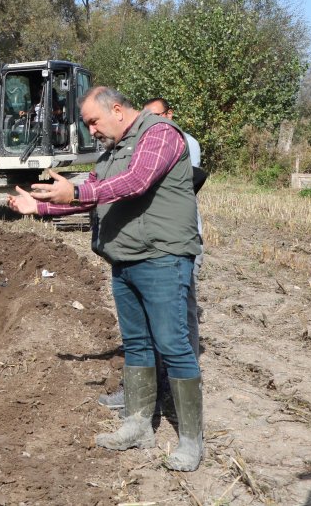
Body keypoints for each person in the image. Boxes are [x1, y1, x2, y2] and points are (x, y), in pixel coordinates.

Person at [7, 86, 204, 472]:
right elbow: (90, 195)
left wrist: (75, 188)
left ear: (117, 109)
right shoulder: (112, 150)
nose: (91, 131)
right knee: (136, 344)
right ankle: (137, 425)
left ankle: (191, 441)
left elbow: (135, 182)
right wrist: (41, 206)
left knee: (173, 344)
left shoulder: (159, 135)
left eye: (93, 121)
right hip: (125, 259)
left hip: (162, 258)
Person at [99, 97, 204, 412]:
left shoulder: (177, 139)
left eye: (155, 116)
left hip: (172, 245)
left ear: (169, 115)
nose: (148, 123)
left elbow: (138, 181)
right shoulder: (133, 143)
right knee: (142, 335)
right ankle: (150, 397)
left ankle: (174, 390)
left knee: (176, 327)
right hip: (143, 246)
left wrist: (80, 193)